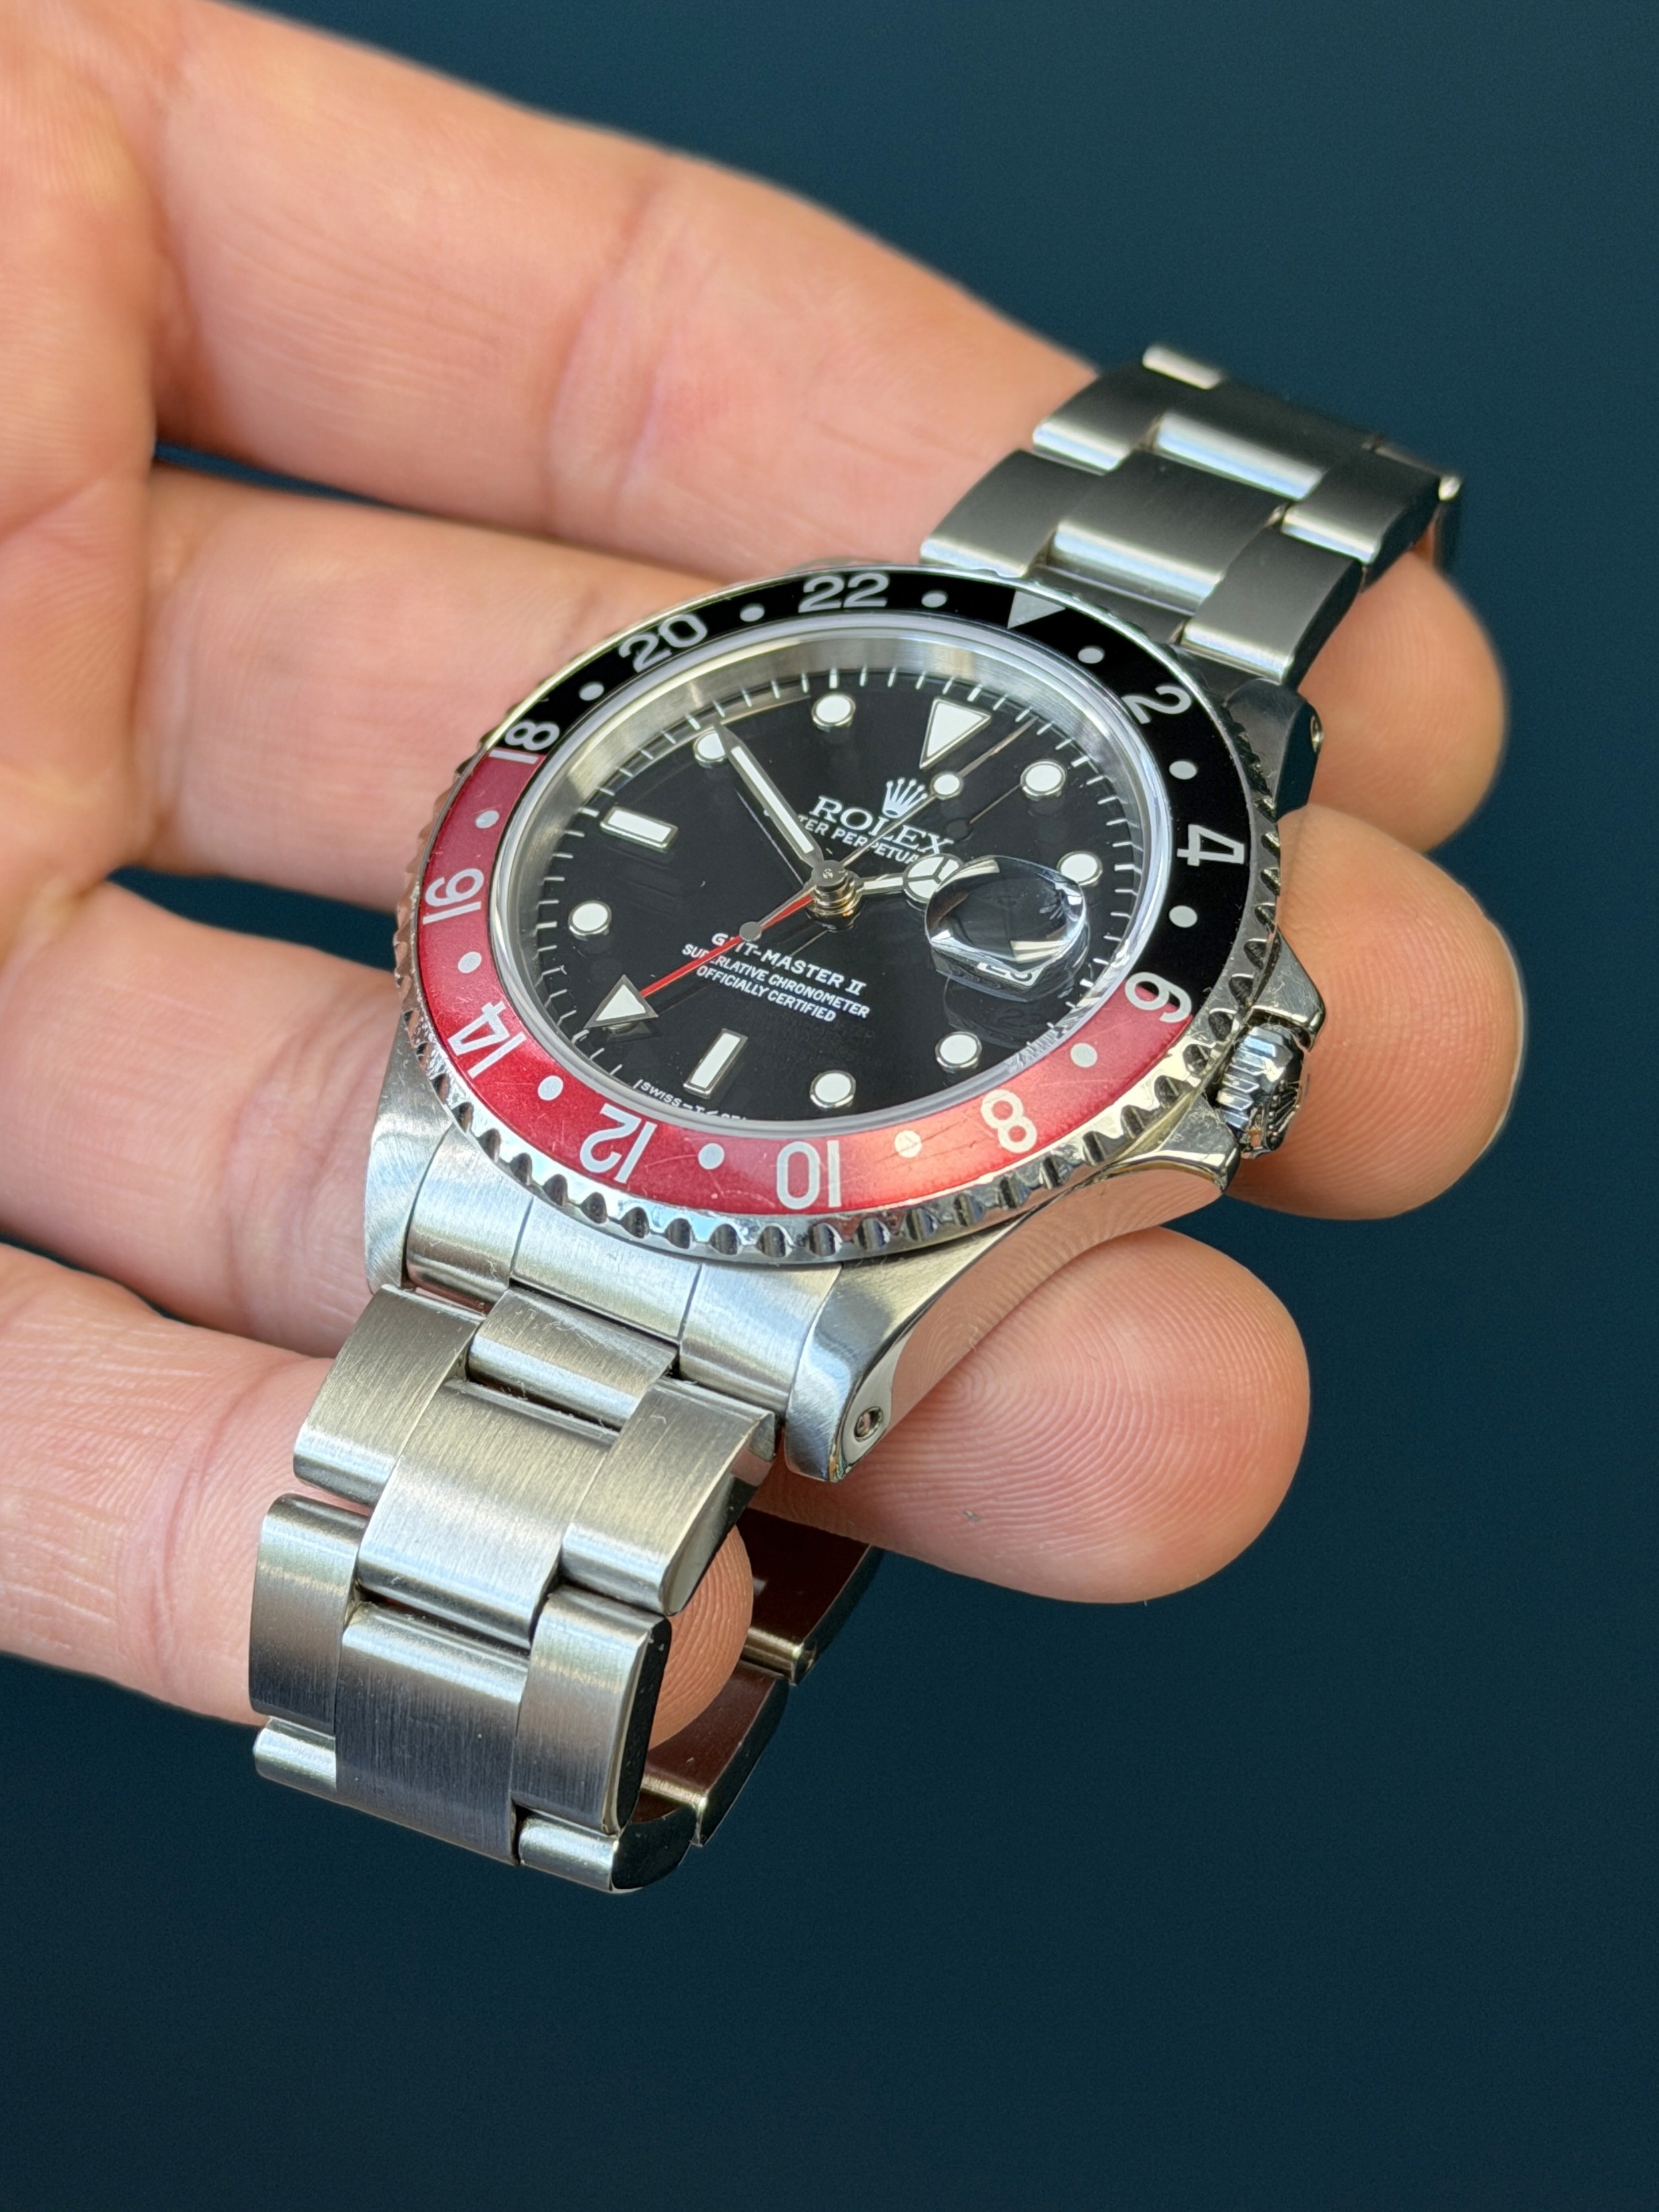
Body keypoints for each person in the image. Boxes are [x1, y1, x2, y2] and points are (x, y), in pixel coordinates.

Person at [0, 0, 1518, 1751]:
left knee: (1123, 1434)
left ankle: (572, 1691)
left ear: (1227, 1058)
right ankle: (547, 1686)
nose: (847, 887)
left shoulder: (1139, 1007)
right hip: (554, 1127)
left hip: (802, 1219)